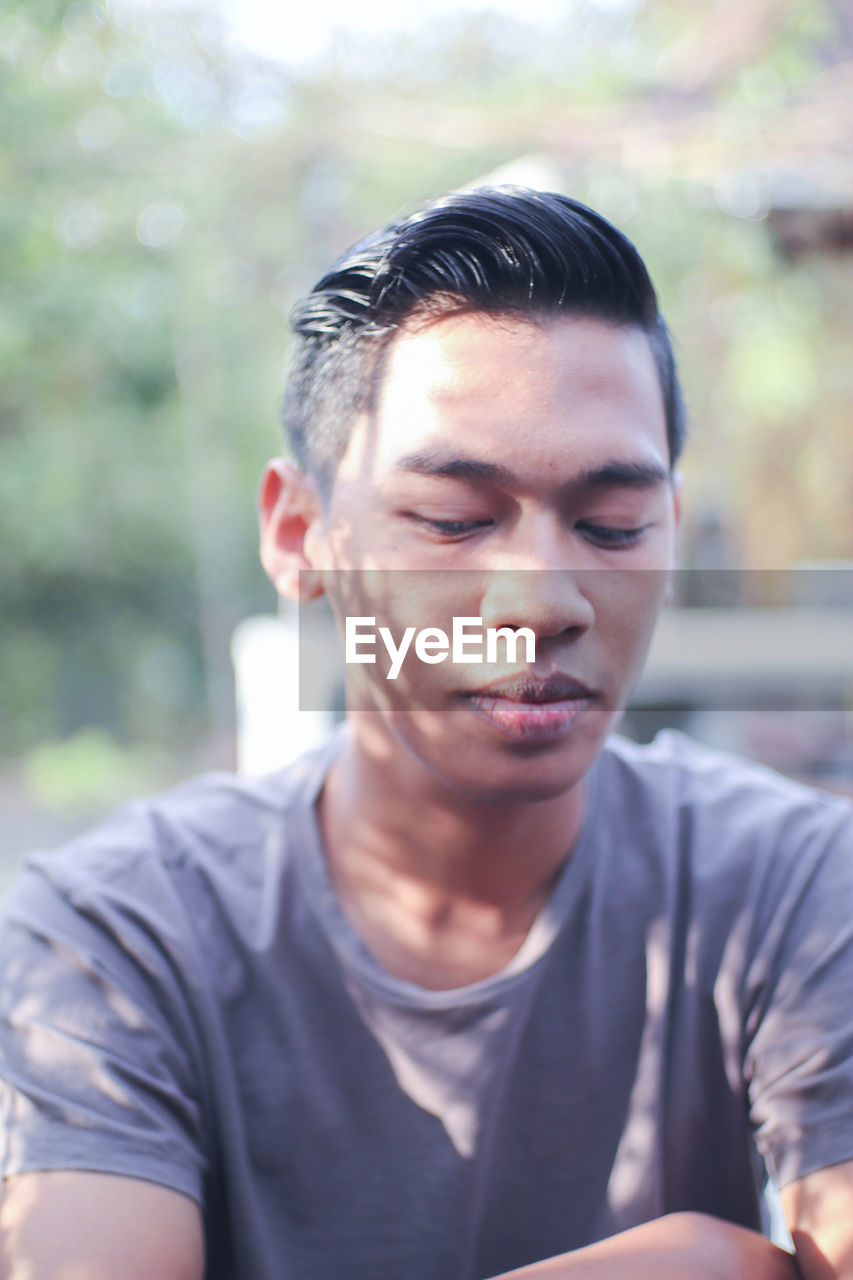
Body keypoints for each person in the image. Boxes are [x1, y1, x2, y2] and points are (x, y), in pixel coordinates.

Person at [1, 186, 852, 1280]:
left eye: (612, 526)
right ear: (302, 534)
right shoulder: (116, 941)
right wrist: (705, 1263)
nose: (543, 599)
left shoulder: (790, 886)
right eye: (453, 522)